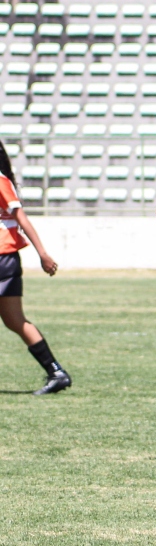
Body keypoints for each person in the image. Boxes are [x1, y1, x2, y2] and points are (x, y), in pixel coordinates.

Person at [0, 140, 71, 395]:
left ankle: (57, 372)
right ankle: (57, 372)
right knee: (14, 320)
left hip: (2, 257)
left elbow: (22, 219)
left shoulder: (0, 181)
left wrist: (42, 253)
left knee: (15, 320)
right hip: (5, 260)